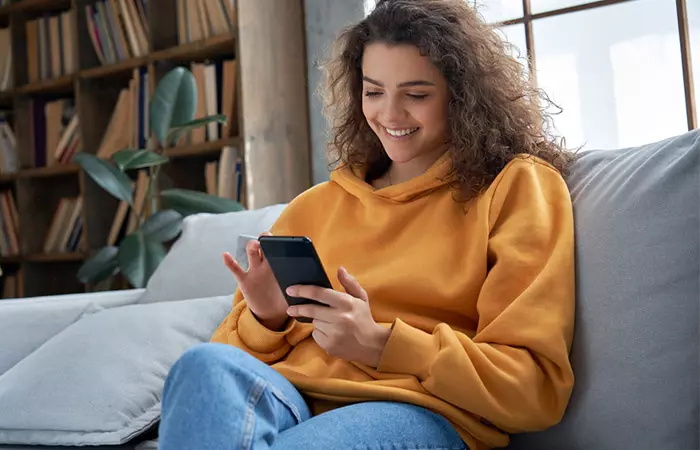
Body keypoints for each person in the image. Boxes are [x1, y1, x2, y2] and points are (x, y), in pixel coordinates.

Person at [157, 0, 577, 449]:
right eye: (373, 92)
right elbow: (232, 368)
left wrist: (380, 343)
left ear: (463, 95)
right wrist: (268, 317)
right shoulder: (315, 206)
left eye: (416, 95)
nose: (390, 115)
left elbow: (533, 390)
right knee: (201, 366)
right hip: (290, 398)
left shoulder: (516, 187)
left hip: (417, 410)